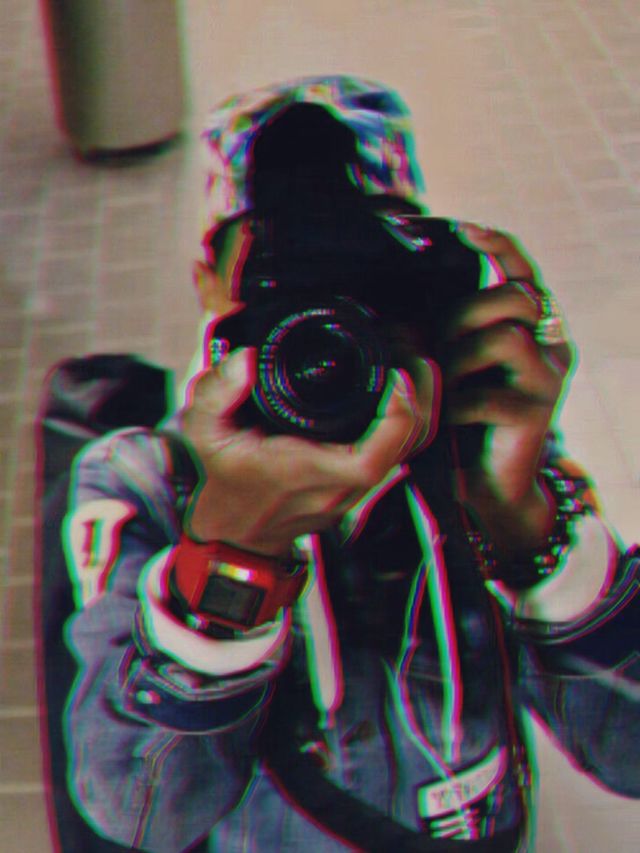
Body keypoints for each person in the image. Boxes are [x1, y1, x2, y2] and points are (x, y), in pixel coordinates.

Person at [62, 76, 639, 853]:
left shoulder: (478, 439)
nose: (333, 315)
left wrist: (527, 528)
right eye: (283, 271)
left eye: (368, 268)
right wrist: (232, 554)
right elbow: (139, 812)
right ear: (208, 279)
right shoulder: (147, 476)